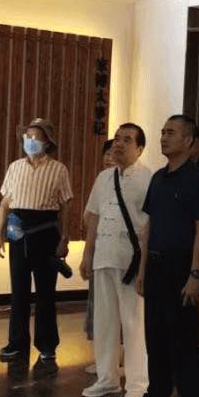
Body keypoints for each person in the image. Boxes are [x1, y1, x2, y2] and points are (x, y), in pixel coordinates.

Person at [126, 115, 199, 397]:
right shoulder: (158, 179)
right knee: (156, 336)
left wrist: (195, 274)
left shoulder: (198, 179)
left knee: (185, 342)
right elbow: (148, 228)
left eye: (171, 133)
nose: (163, 137)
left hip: (181, 269)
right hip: (156, 268)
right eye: (162, 132)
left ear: (188, 141)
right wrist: (142, 270)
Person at [0, 118, 72, 375]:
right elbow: (5, 203)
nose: (30, 141)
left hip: (46, 233)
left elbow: (66, 206)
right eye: (27, 137)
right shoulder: (14, 167)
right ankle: (17, 343)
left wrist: (65, 238)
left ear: (47, 142)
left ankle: (47, 346)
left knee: (46, 293)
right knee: (18, 292)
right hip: (18, 233)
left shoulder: (59, 169)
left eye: (35, 137)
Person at [80, 124, 151, 397]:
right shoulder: (104, 177)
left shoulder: (148, 179)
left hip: (130, 260)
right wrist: (87, 254)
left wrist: (144, 266)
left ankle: (137, 384)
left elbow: (150, 227)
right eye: (117, 139)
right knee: (104, 321)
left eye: (127, 140)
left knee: (133, 323)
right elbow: (94, 217)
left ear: (140, 149)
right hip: (104, 256)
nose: (119, 144)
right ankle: (107, 379)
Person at [83, 139, 117, 351]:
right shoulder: (101, 181)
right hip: (99, 249)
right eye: (107, 154)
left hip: (119, 254)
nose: (109, 158)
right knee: (99, 304)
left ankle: (119, 356)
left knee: (116, 308)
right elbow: (90, 218)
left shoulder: (138, 180)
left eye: (114, 154)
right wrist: (87, 254)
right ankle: (103, 357)